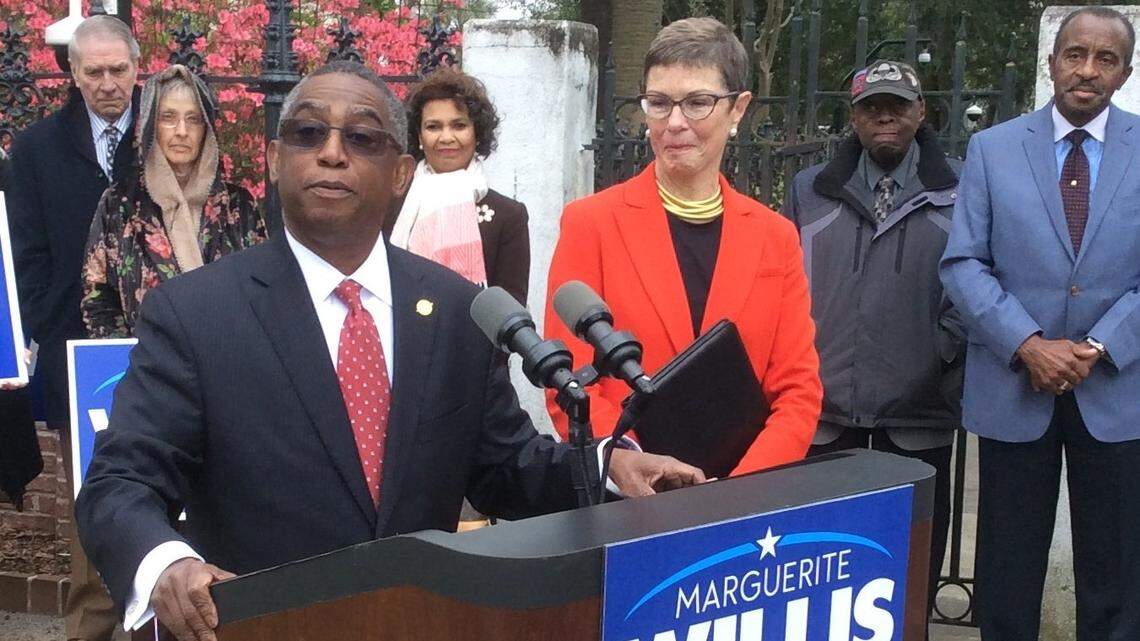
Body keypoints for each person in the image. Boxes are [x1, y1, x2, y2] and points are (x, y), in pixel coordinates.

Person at [74, 61, 705, 641]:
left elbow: (507, 466)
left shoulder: (458, 307)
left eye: (362, 139)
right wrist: (168, 565)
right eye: (307, 134)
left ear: (401, 172)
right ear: (272, 159)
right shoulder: (195, 314)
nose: (330, 153)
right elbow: (120, 482)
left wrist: (607, 467)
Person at [545, 17, 821, 473]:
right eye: (658, 103)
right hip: (630, 499)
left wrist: (734, 492)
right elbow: (567, 381)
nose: (674, 122)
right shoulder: (590, 223)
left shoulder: (775, 237)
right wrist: (631, 464)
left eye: (697, 102)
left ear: (738, 109)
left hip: (746, 504)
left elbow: (798, 389)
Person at [940, 7, 1138, 641]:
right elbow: (964, 261)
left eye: (1106, 59)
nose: (1087, 70)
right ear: (1052, 61)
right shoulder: (992, 149)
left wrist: (1101, 345)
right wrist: (1026, 344)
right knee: (1006, 568)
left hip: (1117, 390)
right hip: (1013, 389)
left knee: (1118, 573)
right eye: (1076, 54)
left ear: (1125, 72)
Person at [783, 60, 964, 634]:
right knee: (819, 577)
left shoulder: (961, 187)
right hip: (822, 414)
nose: (884, 116)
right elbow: (781, 286)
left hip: (918, 415)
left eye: (897, 105)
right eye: (870, 107)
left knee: (906, 577)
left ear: (921, 112)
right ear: (854, 117)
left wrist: (943, 350)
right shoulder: (808, 189)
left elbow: (980, 278)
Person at [5, 15, 140, 641]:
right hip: (75, 355)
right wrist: (52, 335)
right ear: (74, 73)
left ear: (137, 70)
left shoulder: (164, 135)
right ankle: (91, 628)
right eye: (95, 72)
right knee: (89, 499)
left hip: (161, 346)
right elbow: (27, 261)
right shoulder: (34, 151)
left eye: (119, 70)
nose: (108, 84)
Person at [81, 65, 266, 338]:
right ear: (150, 126)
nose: (181, 131)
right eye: (168, 117)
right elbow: (97, 297)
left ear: (207, 129)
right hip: (148, 368)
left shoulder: (238, 206)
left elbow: (263, 289)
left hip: (229, 364)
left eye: (193, 119)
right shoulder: (120, 204)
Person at [388, 67, 530, 304]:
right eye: (433, 127)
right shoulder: (391, 204)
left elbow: (510, 309)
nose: (446, 138)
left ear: (477, 133)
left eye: (459, 125)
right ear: (419, 137)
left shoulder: (508, 215)